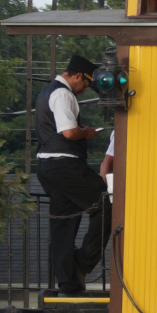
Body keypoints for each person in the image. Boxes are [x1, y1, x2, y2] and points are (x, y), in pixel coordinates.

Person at [35, 54, 108, 294]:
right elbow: (68, 132)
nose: (84, 89)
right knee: (105, 203)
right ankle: (83, 263)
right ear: (77, 76)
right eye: (85, 84)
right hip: (65, 165)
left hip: (47, 167)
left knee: (63, 222)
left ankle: (68, 281)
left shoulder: (46, 92)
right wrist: (86, 133)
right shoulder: (63, 94)